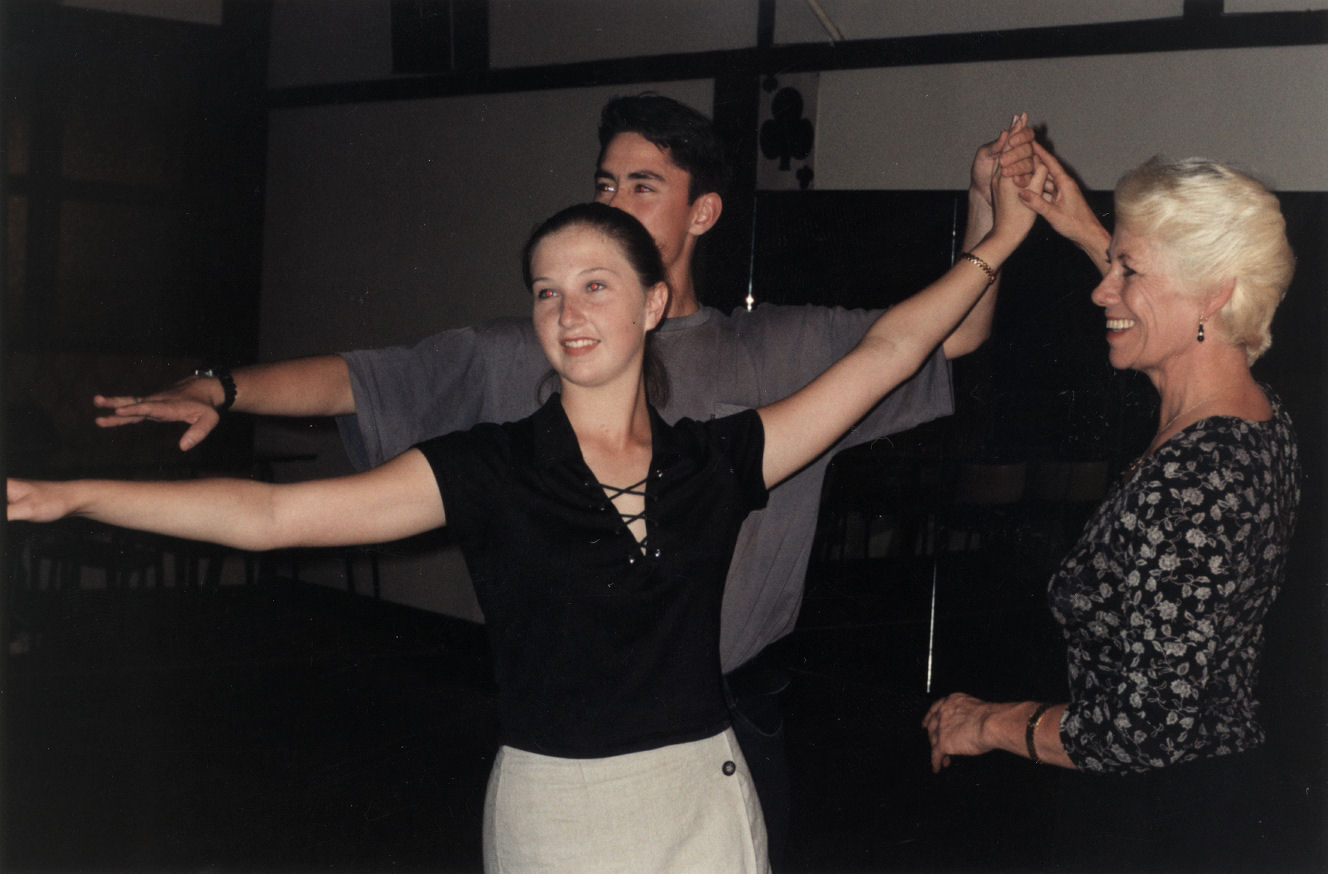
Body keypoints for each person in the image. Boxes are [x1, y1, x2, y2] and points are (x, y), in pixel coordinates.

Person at [12, 152, 1044, 871]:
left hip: (705, 794)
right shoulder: (491, 467)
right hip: (558, 809)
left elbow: (887, 353)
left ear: (652, 304)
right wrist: (72, 495)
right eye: (546, 291)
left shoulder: (717, 460)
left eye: (594, 285)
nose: (566, 311)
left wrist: (996, 240)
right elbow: (275, 518)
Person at [921, 149, 1301, 869]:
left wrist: (989, 723)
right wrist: (1081, 224)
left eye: (1128, 272)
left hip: (1156, 826)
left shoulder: (1193, 479)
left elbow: (1142, 730)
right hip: (1210, 798)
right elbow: (1180, 305)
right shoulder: (1250, 414)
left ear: (1213, 294)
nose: (1103, 292)